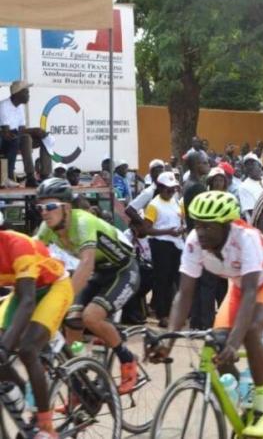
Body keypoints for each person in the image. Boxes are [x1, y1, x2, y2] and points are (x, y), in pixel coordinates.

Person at [148, 191, 263, 436]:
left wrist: (235, 341)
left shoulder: (245, 238)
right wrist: (169, 339)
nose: (200, 232)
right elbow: (184, 293)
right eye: (197, 224)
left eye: (208, 227)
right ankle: (245, 399)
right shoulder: (194, 242)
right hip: (238, 285)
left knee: (251, 330)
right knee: (217, 342)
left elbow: (250, 294)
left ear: (226, 226)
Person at [34, 178, 140, 394]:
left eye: (51, 206)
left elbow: (86, 263)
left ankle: (128, 361)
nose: (45, 212)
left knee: (90, 316)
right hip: (99, 273)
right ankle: (78, 382)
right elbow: (30, 254)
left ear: (66, 207)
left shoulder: (82, 222)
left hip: (123, 270)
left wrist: (61, 300)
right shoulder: (47, 227)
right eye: (40, 207)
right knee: (72, 322)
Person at [0, 219, 74, 439]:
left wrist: (5, 347)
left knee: (27, 350)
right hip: (22, 291)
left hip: (53, 287)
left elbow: (28, 301)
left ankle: (45, 426)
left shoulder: (18, 245)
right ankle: (25, 394)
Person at [142, 172, 185, 327]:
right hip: (161, 245)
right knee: (163, 281)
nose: (171, 192)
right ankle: (163, 314)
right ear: (160, 188)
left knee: (177, 279)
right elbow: (146, 229)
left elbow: (180, 217)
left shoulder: (175, 201)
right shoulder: (154, 205)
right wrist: (167, 231)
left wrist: (181, 228)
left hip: (176, 244)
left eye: (173, 189)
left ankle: (176, 312)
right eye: (168, 189)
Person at [0, 81, 52, 187]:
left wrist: (37, 132)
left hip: (17, 138)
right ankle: (30, 176)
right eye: (26, 92)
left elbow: (22, 129)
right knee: (27, 138)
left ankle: (45, 176)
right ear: (17, 93)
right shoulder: (4, 106)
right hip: (6, 140)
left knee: (44, 138)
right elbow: (7, 132)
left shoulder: (20, 107)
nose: (28, 95)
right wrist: (33, 130)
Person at [182, 150, 210, 231]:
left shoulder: (189, 183)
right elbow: (205, 214)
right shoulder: (197, 187)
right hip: (199, 232)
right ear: (197, 165)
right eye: (205, 163)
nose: (208, 165)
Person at [238, 152, 263, 222]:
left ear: (259, 165)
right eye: (247, 165)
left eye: (252, 164)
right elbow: (253, 213)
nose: (249, 167)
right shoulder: (244, 187)